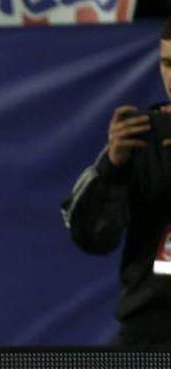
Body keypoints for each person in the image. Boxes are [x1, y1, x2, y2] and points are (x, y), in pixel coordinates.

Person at [61, 17, 171, 347]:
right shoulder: (139, 140)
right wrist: (111, 167)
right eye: (167, 63)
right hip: (151, 332)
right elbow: (93, 238)